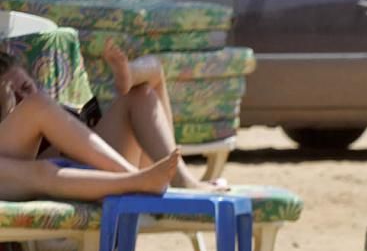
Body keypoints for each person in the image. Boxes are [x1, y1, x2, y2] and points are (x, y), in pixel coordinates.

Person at [0, 40, 222, 200]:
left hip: (103, 169)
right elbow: (43, 175)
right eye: (13, 96)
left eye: (26, 87)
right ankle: (139, 179)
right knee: (38, 106)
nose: (22, 97)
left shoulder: (51, 111)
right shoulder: (30, 116)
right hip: (85, 178)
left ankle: (181, 180)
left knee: (142, 93)